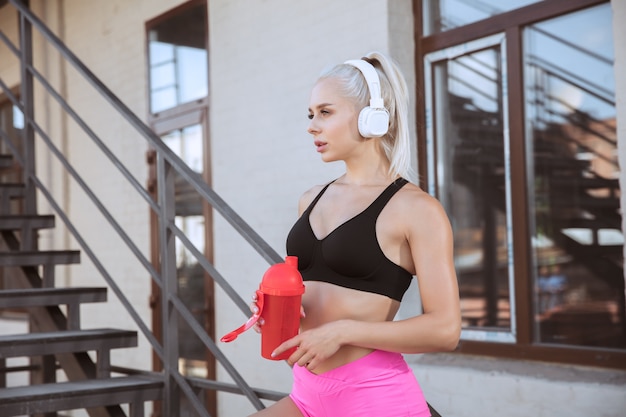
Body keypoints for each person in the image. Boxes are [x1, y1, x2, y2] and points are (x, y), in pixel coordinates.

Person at [250, 51, 461, 417]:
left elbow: (445, 329)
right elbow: (312, 297)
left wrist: (343, 331)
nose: (311, 126)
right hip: (307, 395)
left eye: (326, 112)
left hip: (375, 400)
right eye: (311, 114)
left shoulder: (416, 209)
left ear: (372, 118)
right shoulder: (310, 200)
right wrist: (275, 310)